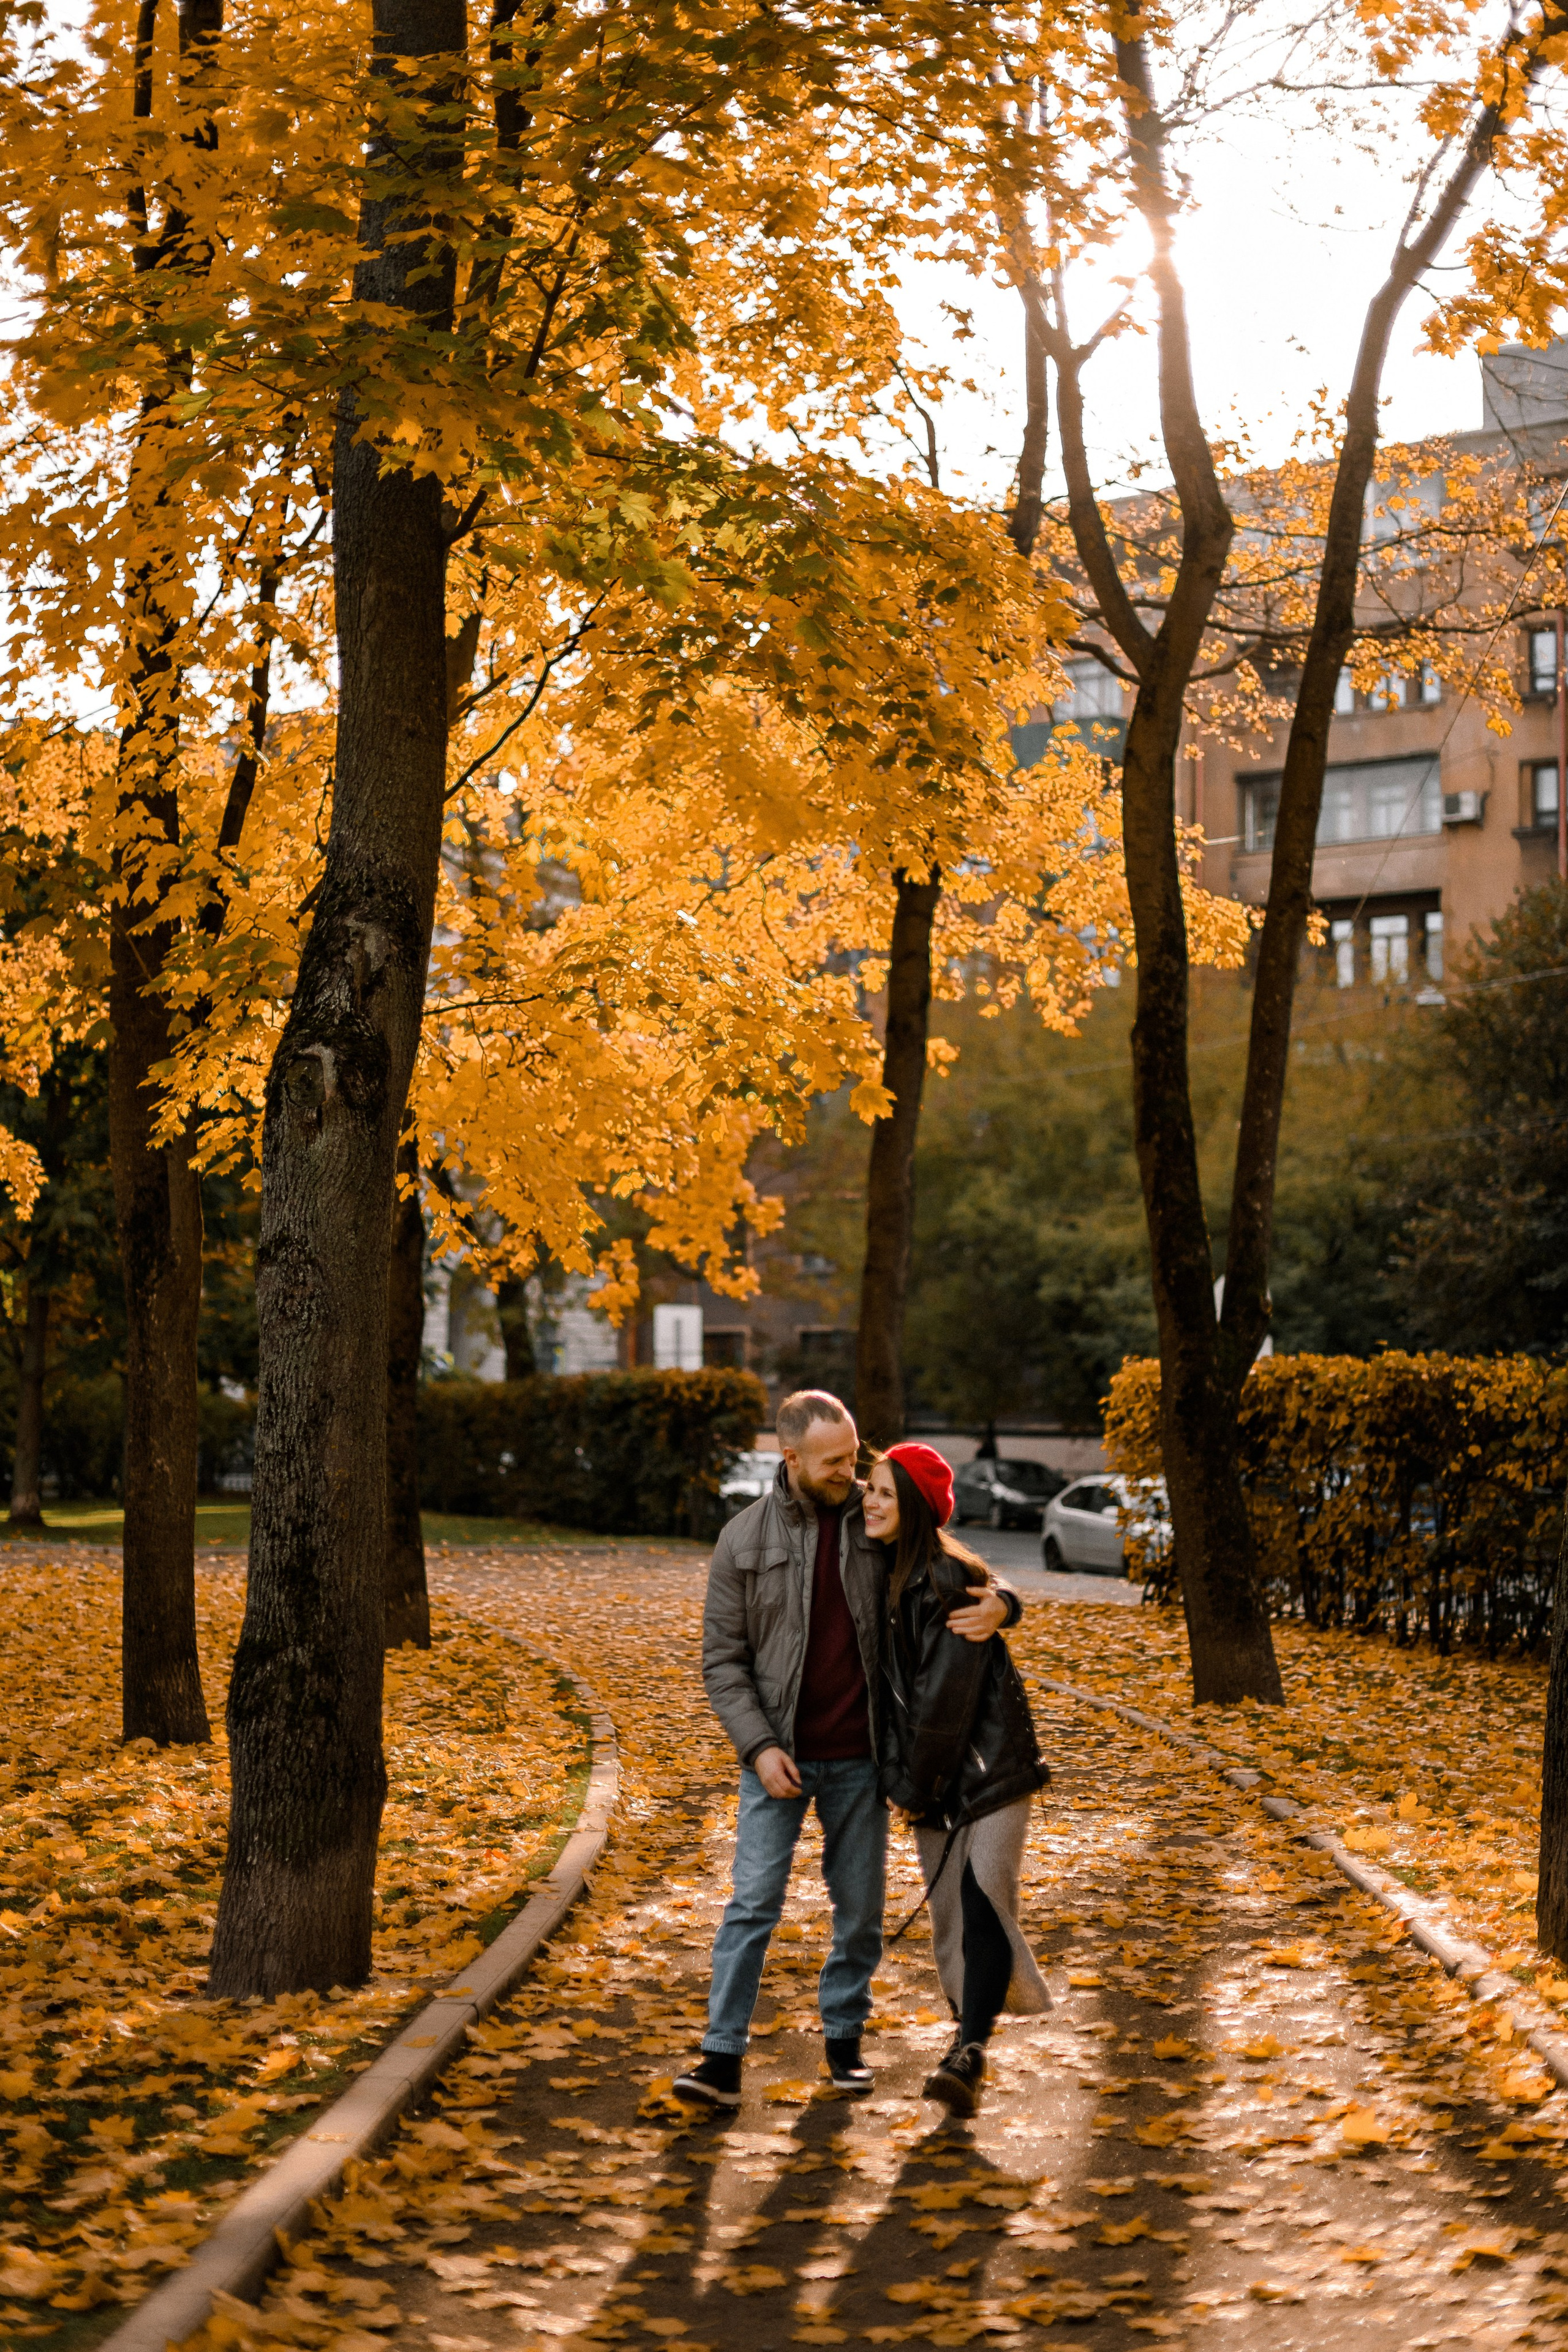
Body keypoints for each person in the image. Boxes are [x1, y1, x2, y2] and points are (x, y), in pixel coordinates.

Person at [673, 1391, 1019, 2111]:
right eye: (833, 1461)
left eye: (854, 1456)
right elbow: (721, 1662)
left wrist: (1006, 1600)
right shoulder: (743, 1539)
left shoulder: (876, 1518)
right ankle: (720, 2058)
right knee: (751, 1905)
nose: (850, 1473)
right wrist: (759, 1747)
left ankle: (843, 2042)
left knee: (859, 1911)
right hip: (777, 1759)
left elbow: (951, 1559)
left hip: (862, 1759)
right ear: (788, 1458)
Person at [867, 1441, 1051, 2118]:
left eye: (886, 1492)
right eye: (869, 1490)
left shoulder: (944, 1581)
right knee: (950, 1918)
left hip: (989, 1768)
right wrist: (898, 1775)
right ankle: (965, 2039)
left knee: (984, 1902)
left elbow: (943, 1707)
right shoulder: (879, 1575)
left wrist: (908, 1787)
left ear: (914, 1505)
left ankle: (968, 2052)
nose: (871, 1501)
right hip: (928, 1773)